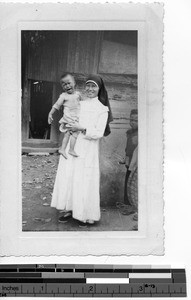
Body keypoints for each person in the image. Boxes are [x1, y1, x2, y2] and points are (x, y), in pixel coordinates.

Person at [51, 74, 113, 228]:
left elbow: (98, 133)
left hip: (87, 150)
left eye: (94, 86)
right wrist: (65, 126)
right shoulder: (79, 103)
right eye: (88, 85)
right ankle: (68, 209)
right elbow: (67, 119)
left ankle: (83, 214)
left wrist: (82, 128)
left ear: (99, 89)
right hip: (72, 146)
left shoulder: (102, 109)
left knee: (83, 179)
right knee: (69, 176)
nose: (90, 89)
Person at [48, 73, 81, 159]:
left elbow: (83, 104)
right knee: (74, 133)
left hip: (75, 118)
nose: (67, 86)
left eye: (69, 83)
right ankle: (70, 149)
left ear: (74, 83)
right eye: (64, 84)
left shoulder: (78, 94)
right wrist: (50, 113)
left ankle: (63, 149)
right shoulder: (63, 96)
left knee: (68, 134)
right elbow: (56, 105)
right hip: (69, 119)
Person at [123, 109, 138, 205]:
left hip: (136, 164)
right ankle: (127, 204)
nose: (132, 122)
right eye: (131, 120)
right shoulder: (129, 133)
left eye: (136, 120)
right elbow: (128, 149)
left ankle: (134, 205)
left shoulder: (141, 134)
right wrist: (126, 158)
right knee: (127, 183)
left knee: (134, 184)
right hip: (129, 162)